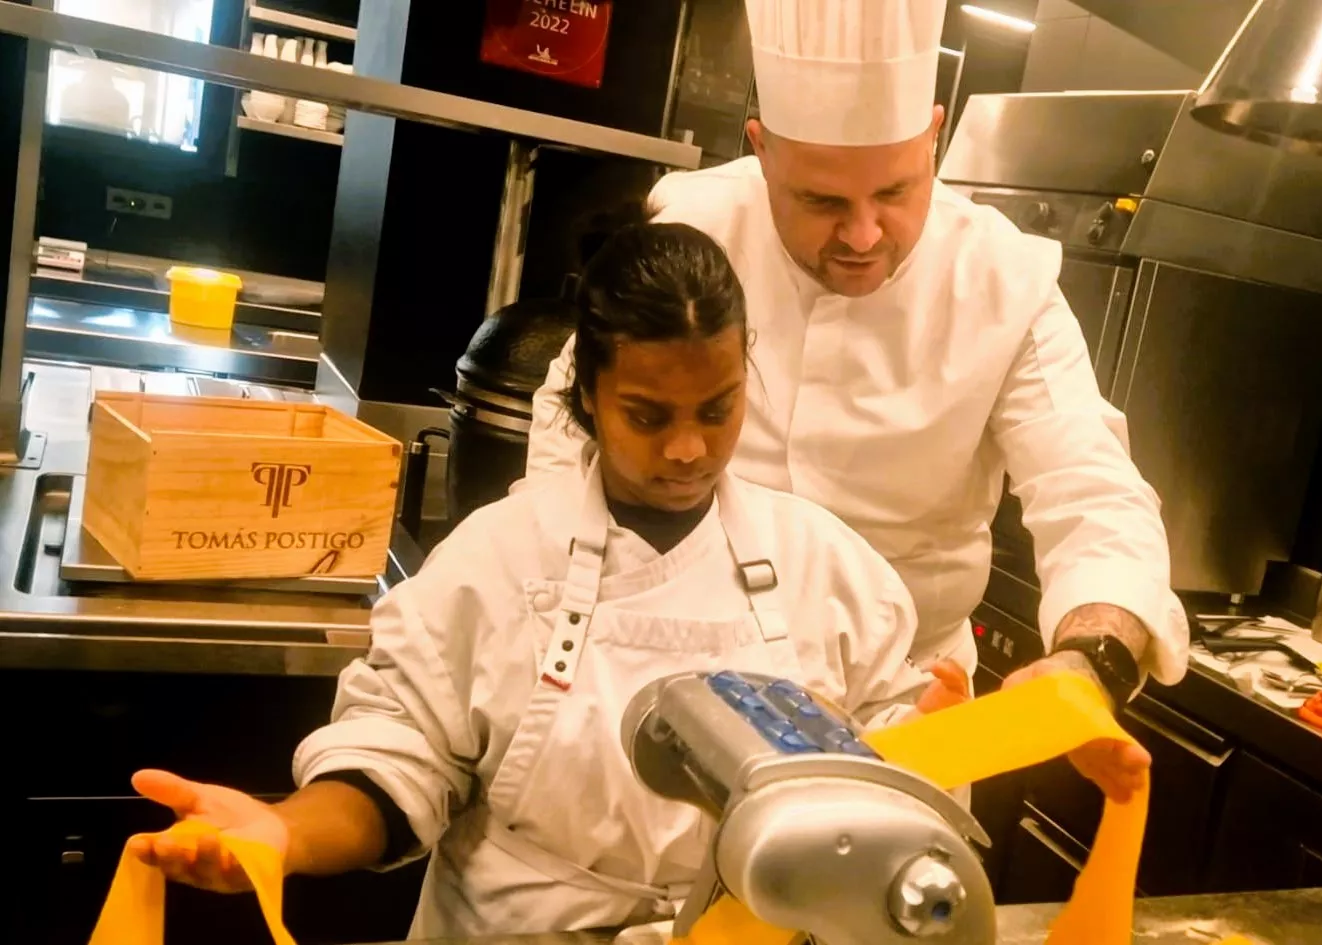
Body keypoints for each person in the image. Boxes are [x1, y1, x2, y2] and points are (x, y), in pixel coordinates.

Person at [126, 220, 968, 938]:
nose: (688, 448)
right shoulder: (498, 556)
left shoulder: (826, 564)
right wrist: (280, 832)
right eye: (648, 414)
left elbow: (887, 766)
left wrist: (924, 743)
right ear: (587, 397)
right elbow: (394, 759)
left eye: (717, 408)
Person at [526, 0, 1191, 804]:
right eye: (821, 202)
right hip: (661, 686)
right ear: (762, 151)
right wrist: (550, 599)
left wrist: (1090, 662)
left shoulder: (1004, 282)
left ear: (933, 138)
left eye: (897, 190)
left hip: (905, 719)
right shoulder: (692, 217)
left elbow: (1094, 492)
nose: (865, 234)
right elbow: (573, 420)